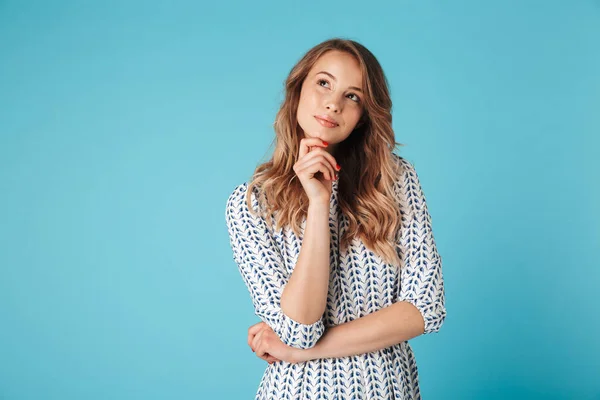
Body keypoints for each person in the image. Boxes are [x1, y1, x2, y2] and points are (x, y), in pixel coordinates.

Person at [224, 37, 446, 400]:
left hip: (389, 390)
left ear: (362, 116)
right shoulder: (252, 204)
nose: (333, 103)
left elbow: (424, 310)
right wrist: (318, 203)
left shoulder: (395, 181)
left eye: (353, 96)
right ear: (298, 90)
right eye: (323, 83)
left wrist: (299, 354)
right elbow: (300, 328)